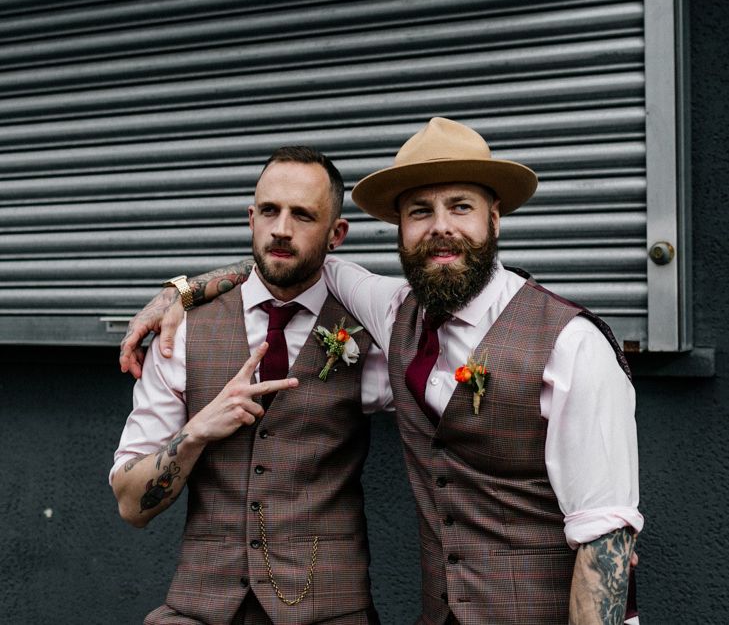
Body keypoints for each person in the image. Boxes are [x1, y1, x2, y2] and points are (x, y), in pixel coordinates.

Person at [121, 119, 642, 624]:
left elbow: (605, 539)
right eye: (420, 211)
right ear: (401, 228)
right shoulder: (394, 312)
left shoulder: (572, 343)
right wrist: (181, 292)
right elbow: (284, 262)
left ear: (495, 218)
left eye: (461, 207)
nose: (441, 226)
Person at [111, 146, 390, 625]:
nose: (281, 228)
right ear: (251, 218)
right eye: (269, 211)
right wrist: (197, 430)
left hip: (328, 609)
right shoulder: (183, 332)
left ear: (336, 233)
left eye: (303, 215)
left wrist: (185, 285)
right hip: (199, 609)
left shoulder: (375, 329)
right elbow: (132, 506)